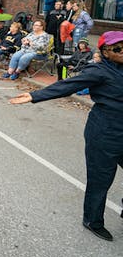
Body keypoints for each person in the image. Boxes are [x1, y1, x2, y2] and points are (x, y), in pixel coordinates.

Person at [10, 31, 123, 242]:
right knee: (101, 180)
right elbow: (68, 86)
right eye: (118, 48)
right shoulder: (98, 71)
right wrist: (35, 95)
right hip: (104, 133)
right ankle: (93, 220)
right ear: (106, 52)